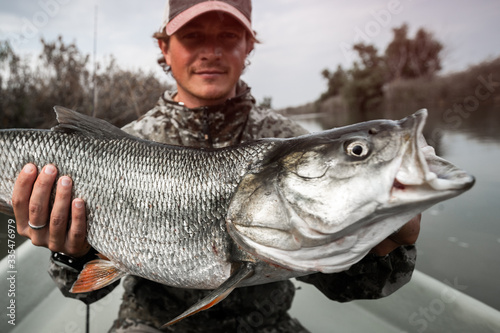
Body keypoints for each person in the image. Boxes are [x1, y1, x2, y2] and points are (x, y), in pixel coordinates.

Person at [12, 1, 421, 332]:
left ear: (249, 46)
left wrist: (384, 247)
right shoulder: (126, 139)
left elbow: (344, 284)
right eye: (192, 36)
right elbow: (81, 292)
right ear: (164, 48)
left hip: (265, 324)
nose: (211, 51)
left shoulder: (293, 143)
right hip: (151, 324)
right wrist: (73, 255)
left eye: (228, 35)